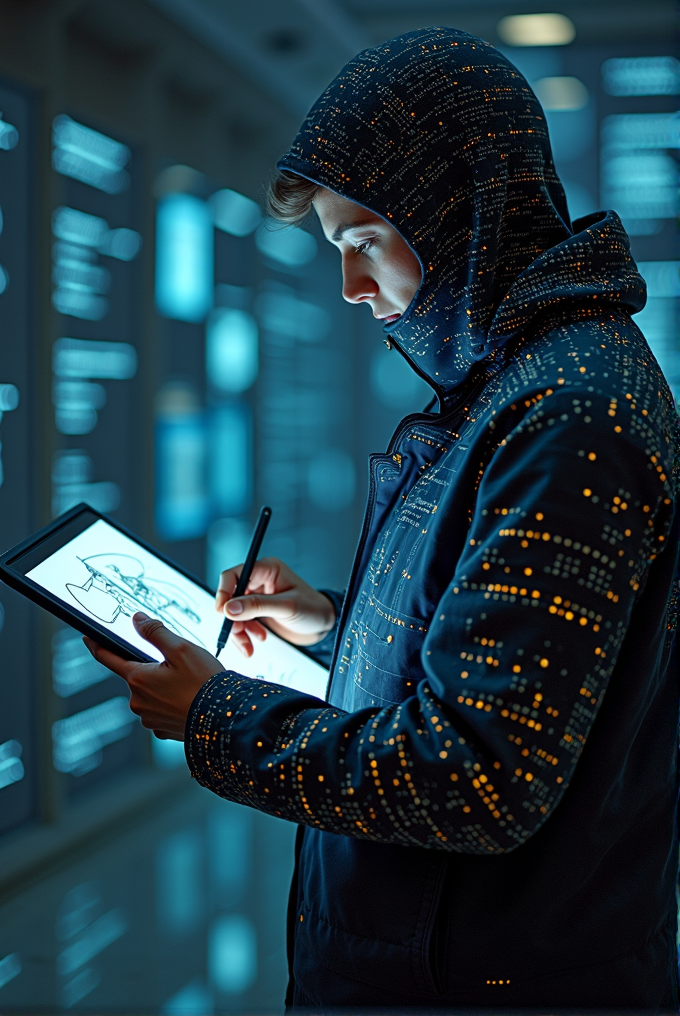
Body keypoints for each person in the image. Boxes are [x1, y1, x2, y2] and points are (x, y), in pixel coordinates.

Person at [85, 28, 680, 1010]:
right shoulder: (518, 383)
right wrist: (335, 622)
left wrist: (214, 715)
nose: (355, 287)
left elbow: (476, 778)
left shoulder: (565, 408)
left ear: (460, 214)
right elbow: (506, 652)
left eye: (364, 240)